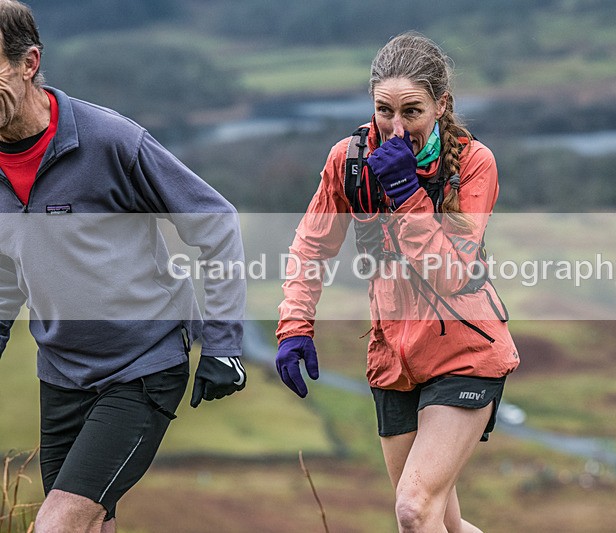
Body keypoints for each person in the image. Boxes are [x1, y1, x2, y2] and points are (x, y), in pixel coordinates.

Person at [0, 2, 247, 532]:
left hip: (140, 368)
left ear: (28, 62)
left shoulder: (109, 141)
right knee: (90, 525)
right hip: (61, 374)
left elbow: (216, 222)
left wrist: (224, 345)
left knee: (56, 525)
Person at [275, 32, 518, 532]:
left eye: (412, 111)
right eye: (385, 110)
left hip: (467, 352)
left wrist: (408, 191)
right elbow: (311, 246)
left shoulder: (474, 164)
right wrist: (294, 326)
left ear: (441, 105)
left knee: (412, 509)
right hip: (393, 360)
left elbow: (451, 275)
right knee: (442, 522)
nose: (395, 126)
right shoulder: (348, 161)